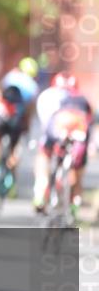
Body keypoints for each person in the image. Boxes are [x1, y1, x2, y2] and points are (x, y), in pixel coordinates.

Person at [32, 72, 94, 219]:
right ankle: (74, 205)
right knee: (78, 169)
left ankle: (41, 190)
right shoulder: (83, 99)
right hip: (80, 131)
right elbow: (90, 122)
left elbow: (45, 122)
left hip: (58, 126)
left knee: (44, 154)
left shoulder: (49, 95)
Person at [0, 56, 39, 196]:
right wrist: (27, 128)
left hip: (2, 115)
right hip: (17, 120)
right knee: (14, 152)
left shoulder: (11, 76)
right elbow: (30, 110)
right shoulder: (33, 86)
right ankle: (12, 186)